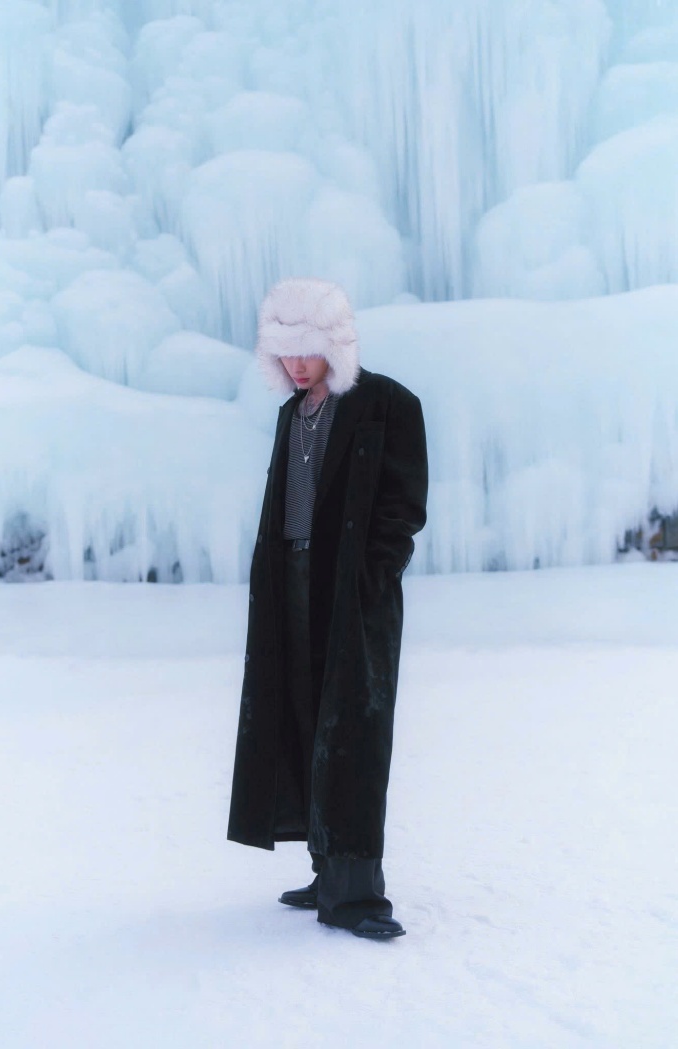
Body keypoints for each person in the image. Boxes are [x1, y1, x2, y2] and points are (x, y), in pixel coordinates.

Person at [227, 277, 428, 940]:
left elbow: (404, 507)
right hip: (290, 582)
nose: (294, 363)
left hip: (351, 593)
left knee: (354, 734)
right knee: (304, 718)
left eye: (305, 349)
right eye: (282, 352)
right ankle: (326, 871)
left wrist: (372, 575)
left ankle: (358, 894)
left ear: (334, 343)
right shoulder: (291, 414)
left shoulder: (388, 403)